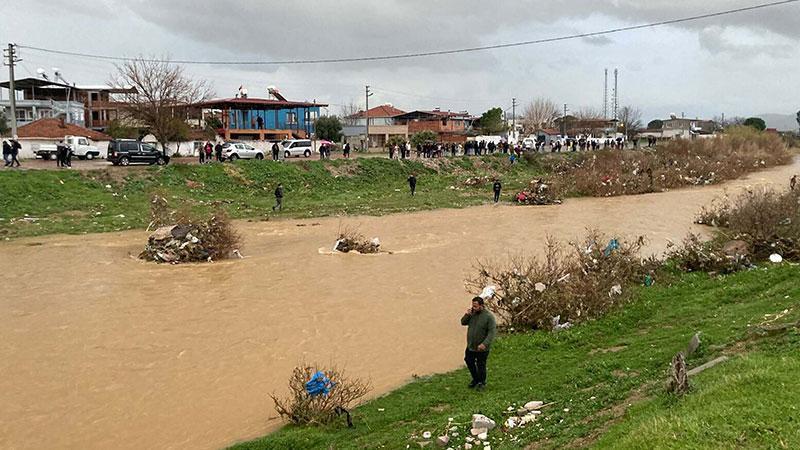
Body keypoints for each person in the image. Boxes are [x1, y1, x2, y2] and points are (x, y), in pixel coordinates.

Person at [461, 296, 496, 390]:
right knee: (469, 361)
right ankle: (476, 379)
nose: (474, 308)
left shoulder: (489, 317)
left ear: (481, 306)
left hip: (482, 347)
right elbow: (463, 322)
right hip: (471, 345)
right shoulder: (472, 314)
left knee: (481, 365)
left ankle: (482, 382)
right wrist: (467, 315)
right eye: (473, 306)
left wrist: (485, 344)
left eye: (475, 306)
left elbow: (492, 332)